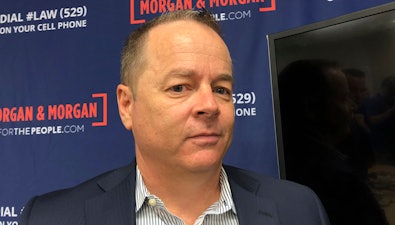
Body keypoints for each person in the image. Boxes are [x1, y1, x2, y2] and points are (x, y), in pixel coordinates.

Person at [18, 10, 330, 225]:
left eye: (222, 89)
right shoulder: (53, 217)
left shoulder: (298, 210)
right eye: (180, 87)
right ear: (127, 105)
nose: (209, 105)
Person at [278, 59, 388, 225]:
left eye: (360, 92)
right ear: (311, 107)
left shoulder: (282, 157)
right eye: (344, 98)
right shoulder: (338, 181)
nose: (352, 106)